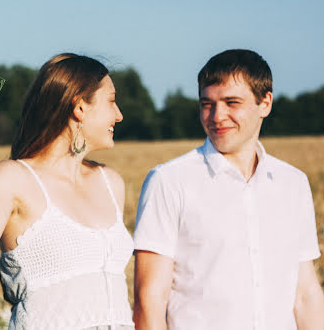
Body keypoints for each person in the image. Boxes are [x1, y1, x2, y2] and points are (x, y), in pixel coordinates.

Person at [0, 53, 135, 330]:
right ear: (80, 107)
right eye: (111, 101)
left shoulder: (111, 183)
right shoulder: (13, 179)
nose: (118, 115)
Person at [133, 49, 324, 330]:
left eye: (231, 102)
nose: (216, 115)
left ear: (265, 103)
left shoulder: (293, 183)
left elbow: (305, 295)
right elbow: (149, 300)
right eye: (206, 103)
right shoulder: (169, 181)